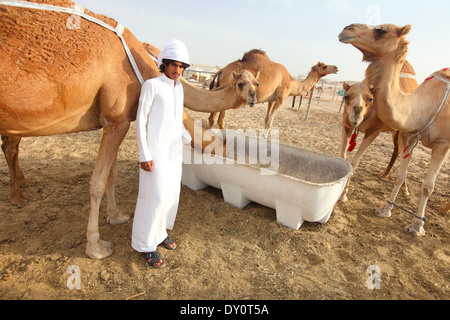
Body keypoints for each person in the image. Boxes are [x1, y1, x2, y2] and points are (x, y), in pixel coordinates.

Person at [132, 39, 192, 268]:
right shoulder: (152, 86)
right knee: (153, 197)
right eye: (174, 65)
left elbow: (177, 120)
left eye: (181, 66)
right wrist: (144, 154)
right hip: (155, 152)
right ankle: (145, 245)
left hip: (174, 153)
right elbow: (141, 121)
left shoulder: (180, 89)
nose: (177, 70)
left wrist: (188, 139)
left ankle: (160, 234)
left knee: (169, 195)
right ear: (164, 64)